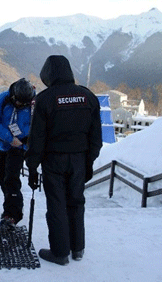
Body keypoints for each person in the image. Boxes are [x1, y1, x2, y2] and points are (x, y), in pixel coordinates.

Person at [25, 55, 102, 265]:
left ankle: (60, 252)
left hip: (54, 160)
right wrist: (89, 160)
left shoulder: (45, 99)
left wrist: (32, 168)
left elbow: (37, 139)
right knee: (76, 202)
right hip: (79, 158)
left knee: (57, 204)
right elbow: (96, 137)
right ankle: (78, 248)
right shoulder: (88, 97)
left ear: (48, 74)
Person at [0, 78, 35, 229]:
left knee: (11, 179)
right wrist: (9, 138)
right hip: (4, 144)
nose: (21, 105)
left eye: (24, 104)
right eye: (19, 103)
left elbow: (39, 124)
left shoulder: (34, 103)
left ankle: (13, 214)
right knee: (2, 178)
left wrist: (25, 142)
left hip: (20, 146)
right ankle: (9, 207)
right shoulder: (2, 99)